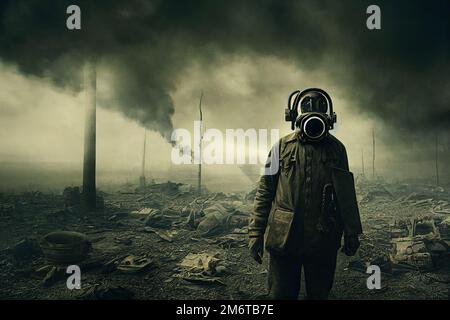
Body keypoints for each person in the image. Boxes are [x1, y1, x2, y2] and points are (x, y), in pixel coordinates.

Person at [248, 88, 362, 300]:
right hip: (285, 238)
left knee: (319, 294)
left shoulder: (337, 150)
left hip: (323, 238)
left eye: (318, 110)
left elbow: (346, 194)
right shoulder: (281, 147)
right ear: (294, 117)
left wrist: (351, 232)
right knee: (280, 294)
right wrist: (256, 233)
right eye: (307, 109)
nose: (313, 116)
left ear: (329, 119)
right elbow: (265, 190)